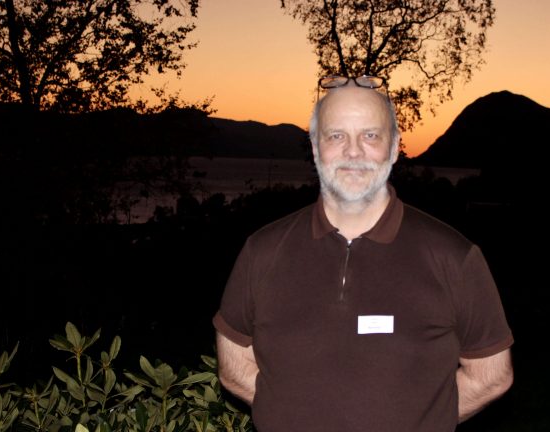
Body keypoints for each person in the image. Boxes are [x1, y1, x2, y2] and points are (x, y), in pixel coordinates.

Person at [212, 76, 514, 432]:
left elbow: (491, 375)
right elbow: (234, 365)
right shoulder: (262, 251)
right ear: (315, 148)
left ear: (395, 147)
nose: (353, 152)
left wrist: (420, 419)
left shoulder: (453, 257)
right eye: (336, 136)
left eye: (370, 135)